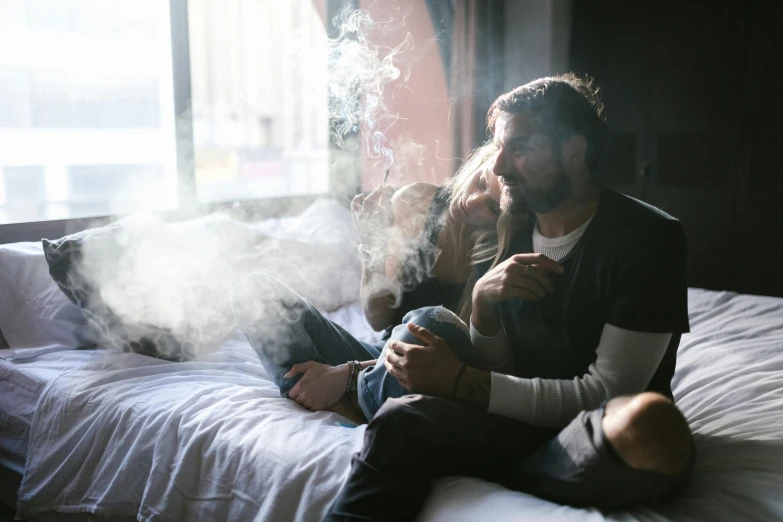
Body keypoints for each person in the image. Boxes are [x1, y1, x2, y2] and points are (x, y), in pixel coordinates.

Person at [324, 73, 695, 522]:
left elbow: (609, 390)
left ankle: (527, 470)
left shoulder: (648, 237)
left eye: (518, 148)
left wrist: (459, 383)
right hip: (510, 421)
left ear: (574, 152)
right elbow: (499, 366)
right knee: (402, 420)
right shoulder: (512, 225)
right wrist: (483, 304)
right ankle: (528, 472)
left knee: (650, 425)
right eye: (497, 147)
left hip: (580, 426)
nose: (497, 168)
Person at [234, 142, 519, 423]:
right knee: (254, 292)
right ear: (476, 165)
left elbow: (470, 359)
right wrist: (373, 245)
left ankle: (351, 400)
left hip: (426, 370)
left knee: (430, 322)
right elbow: (379, 318)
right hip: (380, 357)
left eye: (493, 208)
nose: (472, 202)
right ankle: (345, 403)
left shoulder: (499, 253)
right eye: (481, 183)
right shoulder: (417, 201)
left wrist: (347, 374)